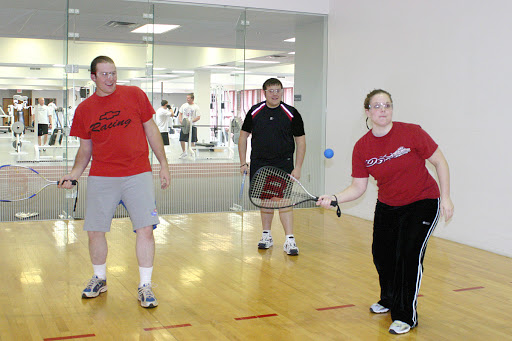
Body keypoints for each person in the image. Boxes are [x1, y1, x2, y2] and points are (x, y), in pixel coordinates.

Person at [317, 89, 454, 334]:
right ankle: (389, 299)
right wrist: (335, 198)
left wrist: (446, 197)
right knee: (382, 255)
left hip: (422, 202)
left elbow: (439, 161)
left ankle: (406, 316)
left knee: (409, 256)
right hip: (388, 205)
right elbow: (358, 187)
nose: (383, 110)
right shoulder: (362, 147)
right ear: (367, 111)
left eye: (387, 105)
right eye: (377, 106)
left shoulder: (412, 132)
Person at [58, 56, 170, 308]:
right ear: (93, 77)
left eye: (113, 73)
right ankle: (99, 278)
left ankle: (145, 285)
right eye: (105, 74)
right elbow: (84, 150)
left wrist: (163, 164)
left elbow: (152, 131)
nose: (110, 78)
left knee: (145, 230)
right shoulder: (84, 110)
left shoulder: (135, 95)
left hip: (138, 174)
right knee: (95, 230)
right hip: (102, 176)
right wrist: (74, 173)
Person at [238, 78, 306, 255]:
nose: (275, 94)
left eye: (278, 90)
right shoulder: (254, 111)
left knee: (283, 201)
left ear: (282, 92)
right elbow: (243, 136)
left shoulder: (291, 113)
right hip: (260, 164)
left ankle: (290, 240)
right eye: (271, 90)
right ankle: (266, 235)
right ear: (265, 92)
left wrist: (298, 167)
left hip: (283, 164)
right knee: (266, 201)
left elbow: (301, 141)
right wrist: (242, 162)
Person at [178, 93, 200, 159]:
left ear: (192, 99)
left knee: (192, 140)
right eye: (187, 98)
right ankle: (184, 152)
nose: (187, 99)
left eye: (189, 98)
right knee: (182, 139)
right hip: (184, 126)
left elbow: (198, 117)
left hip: (192, 126)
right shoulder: (184, 105)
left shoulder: (196, 107)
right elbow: (180, 113)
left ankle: (192, 153)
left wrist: (191, 122)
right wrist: (180, 120)